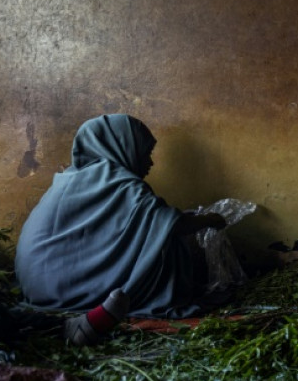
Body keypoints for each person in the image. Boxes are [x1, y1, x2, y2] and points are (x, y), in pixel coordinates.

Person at [15, 114, 227, 319]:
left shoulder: (71, 178)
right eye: (146, 153)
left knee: (156, 229)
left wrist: (173, 219)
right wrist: (210, 220)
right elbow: (174, 224)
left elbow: (148, 219)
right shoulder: (119, 182)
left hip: (34, 286)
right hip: (59, 291)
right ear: (124, 147)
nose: (150, 163)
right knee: (165, 241)